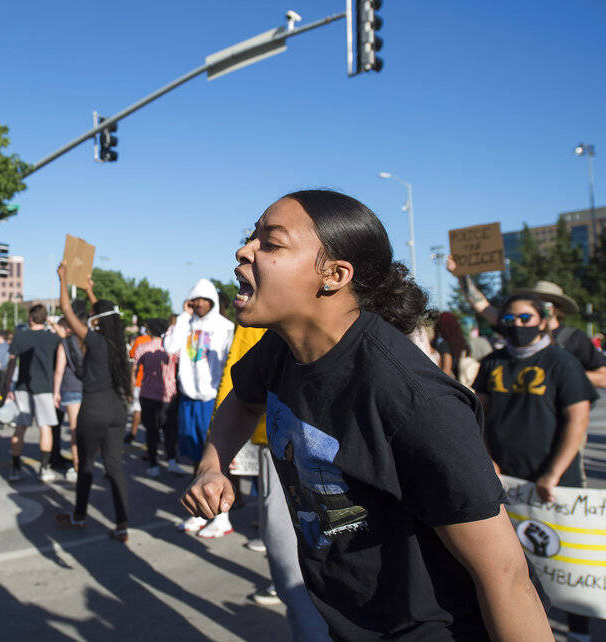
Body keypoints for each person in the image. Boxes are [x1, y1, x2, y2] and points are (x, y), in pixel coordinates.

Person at [184, 189, 551, 640]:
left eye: (271, 243)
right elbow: (242, 400)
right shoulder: (282, 348)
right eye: (251, 237)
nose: (244, 250)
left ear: (334, 275)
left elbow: (507, 579)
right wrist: (211, 467)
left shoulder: (414, 400)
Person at [473, 294, 597, 641]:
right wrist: (486, 460)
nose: (518, 326)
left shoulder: (561, 362)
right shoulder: (493, 362)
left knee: (566, 562)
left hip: (553, 482)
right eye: (510, 320)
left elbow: (578, 417)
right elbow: (478, 414)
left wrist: (554, 472)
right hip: (505, 479)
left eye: (525, 319)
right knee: (514, 562)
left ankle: (580, 631)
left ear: (542, 321)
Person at [213, 323, 330, 640]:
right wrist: (215, 458)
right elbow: (239, 384)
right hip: (276, 441)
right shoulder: (259, 322)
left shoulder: (376, 332)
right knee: (284, 546)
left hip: (326, 452)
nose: (242, 271)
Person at [55, 264, 132, 542]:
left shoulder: (95, 341)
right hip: (116, 409)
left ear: (97, 321)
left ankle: (79, 516)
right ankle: (122, 524)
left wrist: (62, 279)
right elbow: (104, 312)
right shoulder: (118, 343)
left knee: (86, 465)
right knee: (114, 467)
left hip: (94, 408)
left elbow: (66, 311)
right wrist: (89, 289)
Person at [449, 259, 606, 389]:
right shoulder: (516, 328)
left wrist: (565, 373)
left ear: (557, 309)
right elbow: (482, 306)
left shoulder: (575, 338)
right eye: (535, 302)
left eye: (546, 303)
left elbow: (603, 378)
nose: (539, 306)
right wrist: (460, 276)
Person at [165, 278, 234, 537]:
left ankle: (222, 517)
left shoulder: (225, 327)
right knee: (196, 458)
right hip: (189, 400)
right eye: (197, 300)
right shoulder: (186, 325)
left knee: (216, 459)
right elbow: (170, 348)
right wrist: (183, 317)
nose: (201, 304)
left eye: (206, 300)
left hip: (212, 401)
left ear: (213, 302)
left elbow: (231, 363)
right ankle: (202, 513)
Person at [8, 303, 61, 481]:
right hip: (44, 387)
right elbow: (64, 337)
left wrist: (8, 385)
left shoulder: (20, 336)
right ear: (44, 318)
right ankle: (44, 468)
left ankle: (15, 468)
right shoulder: (51, 338)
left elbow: (12, 362)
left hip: (23, 387)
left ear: (30, 318)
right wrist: (53, 324)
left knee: (21, 427)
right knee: (45, 428)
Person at [132, 318, 178, 477]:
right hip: (169, 395)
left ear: (150, 330)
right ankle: (172, 460)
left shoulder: (143, 348)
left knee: (151, 431)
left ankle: (153, 464)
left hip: (147, 394)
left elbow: (134, 369)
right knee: (169, 430)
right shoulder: (172, 349)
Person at [53, 314, 84, 483]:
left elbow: (59, 370)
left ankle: (78, 467)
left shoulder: (64, 343)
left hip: (71, 389)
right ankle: (89, 464)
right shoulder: (88, 340)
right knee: (87, 430)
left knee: (74, 430)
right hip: (90, 389)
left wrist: (56, 392)